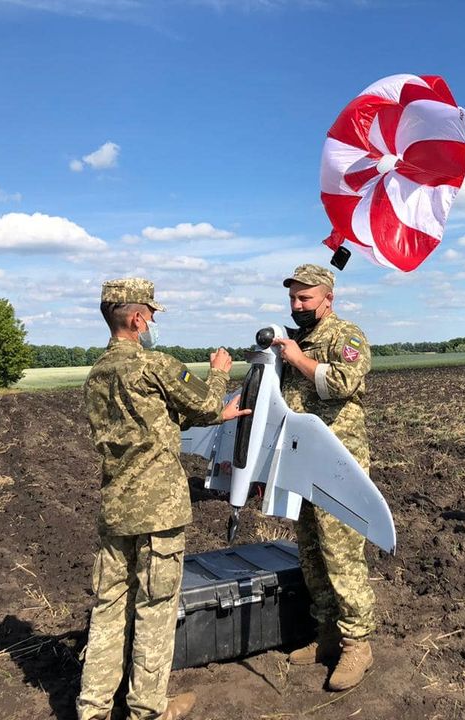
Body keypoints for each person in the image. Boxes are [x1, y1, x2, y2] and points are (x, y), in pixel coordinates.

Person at [77, 278, 249, 720]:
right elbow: (208, 406)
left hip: (115, 507)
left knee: (109, 607)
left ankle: (93, 708)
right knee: (155, 607)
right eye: (151, 315)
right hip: (157, 511)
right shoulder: (156, 365)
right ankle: (147, 709)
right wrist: (218, 370)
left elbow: (151, 419)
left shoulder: (96, 374)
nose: (152, 322)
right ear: (137, 318)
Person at [270, 263, 376, 692]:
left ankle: (358, 644)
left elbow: (345, 382)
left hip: (338, 463)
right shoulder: (297, 340)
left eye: (305, 299)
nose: (297, 306)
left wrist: (297, 359)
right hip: (302, 461)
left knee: (341, 552)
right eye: (293, 299)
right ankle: (327, 633)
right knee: (311, 551)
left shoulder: (345, 335)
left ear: (327, 299)